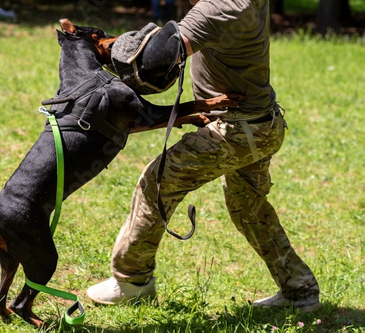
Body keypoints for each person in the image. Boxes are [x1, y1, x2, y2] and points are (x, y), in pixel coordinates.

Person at [87, 0, 321, 312]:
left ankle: (132, 281)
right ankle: (299, 291)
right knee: (248, 207)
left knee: (157, 181)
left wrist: (97, 50)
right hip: (263, 124)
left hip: (236, 131)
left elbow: (155, 66)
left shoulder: (218, 8)